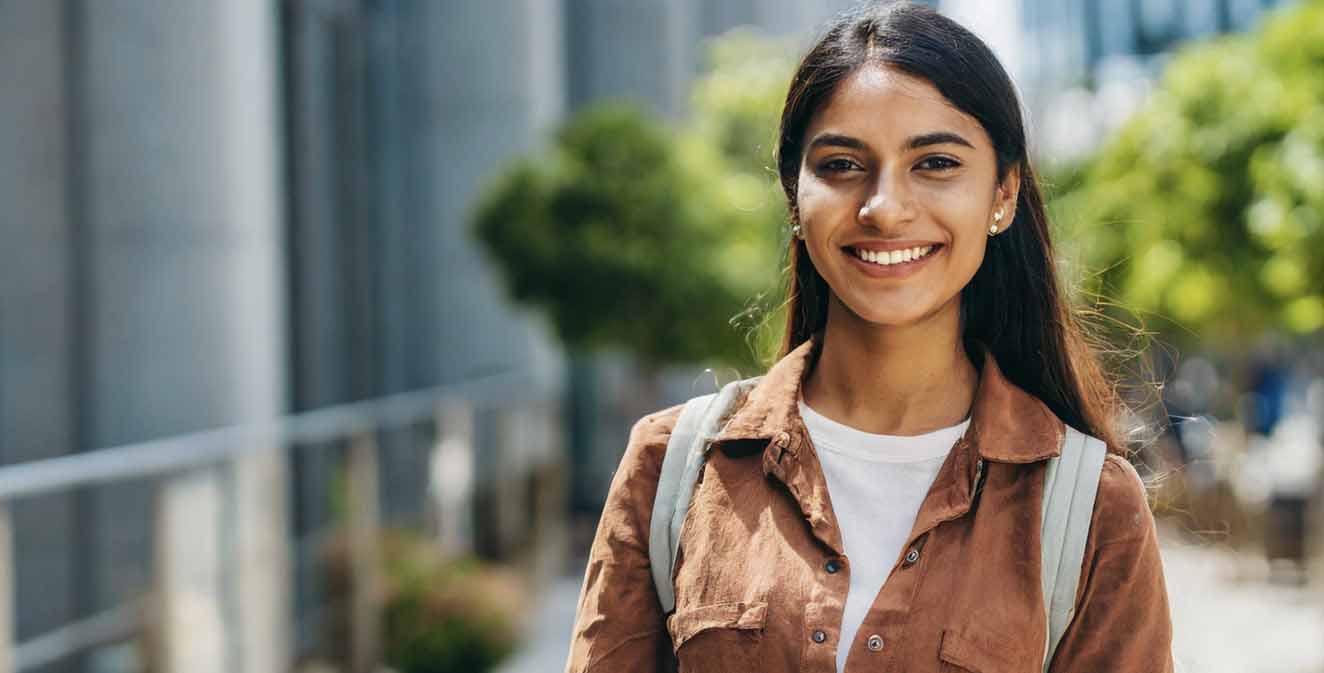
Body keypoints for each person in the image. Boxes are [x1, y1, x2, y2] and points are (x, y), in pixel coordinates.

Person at [563, 2, 1174, 672]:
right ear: (795, 197)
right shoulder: (670, 467)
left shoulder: (1093, 508)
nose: (884, 208)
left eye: (936, 162)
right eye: (842, 164)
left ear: (1002, 194)